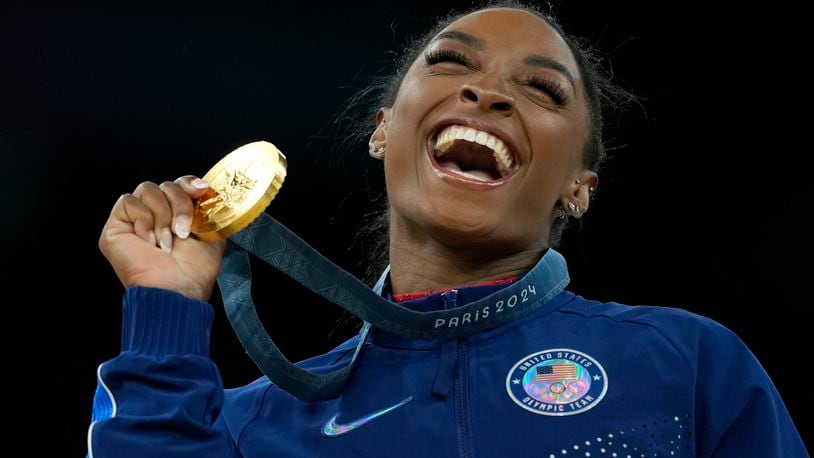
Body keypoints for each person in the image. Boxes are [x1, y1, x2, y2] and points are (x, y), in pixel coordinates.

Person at [87, 1, 808, 457]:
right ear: (383, 131)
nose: (486, 91)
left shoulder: (687, 367)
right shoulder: (258, 425)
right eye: (452, 63)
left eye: (541, 89)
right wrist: (167, 311)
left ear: (578, 189)